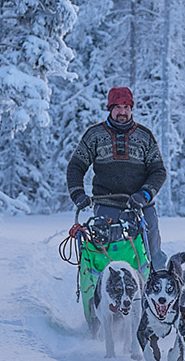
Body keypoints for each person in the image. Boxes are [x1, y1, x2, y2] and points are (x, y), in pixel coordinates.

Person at [66, 86, 167, 273]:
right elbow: (75, 166)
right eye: (118, 107)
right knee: (106, 248)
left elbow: (158, 171)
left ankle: (157, 281)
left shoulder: (145, 136)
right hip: (107, 202)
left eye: (127, 107)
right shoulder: (94, 135)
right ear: (110, 108)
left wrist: (144, 194)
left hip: (141, 204)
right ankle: (104, 285)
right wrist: (78, 194)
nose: (123, 112)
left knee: (151, 245)